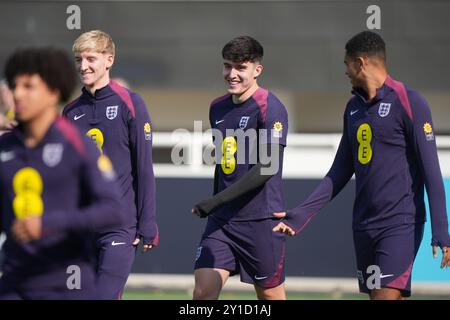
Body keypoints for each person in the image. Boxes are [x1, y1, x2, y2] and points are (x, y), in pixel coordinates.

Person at [272, 31, 450, 300]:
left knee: (384, 296)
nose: (345, 71)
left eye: (346, 64)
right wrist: (300, 214)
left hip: (400, 224)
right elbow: (339, 171)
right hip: (364, 225)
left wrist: (442, 231)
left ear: (361, 62)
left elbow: (431, 170)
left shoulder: (409, 101)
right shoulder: (353, 108)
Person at [0, 47, 124, 299]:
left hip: (66, 283)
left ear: (53, 91)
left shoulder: (78, 145)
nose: (17, 94)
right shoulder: (5, 147)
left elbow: (112, 210)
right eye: (15, 86)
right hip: (14, 279)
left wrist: (47, 224)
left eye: (28, 86)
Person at [62, 30, 158, 300]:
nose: (83, 66)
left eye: (91, 59)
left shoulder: (131, 102)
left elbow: (144, 168)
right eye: (79, 60)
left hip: (119, 225)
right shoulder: (71, 112)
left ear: (109, 60)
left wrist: (147, 224)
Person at [192, 36, 289, 300]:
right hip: (222, 222)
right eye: (227, 66)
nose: (232, 74)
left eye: (240, 68)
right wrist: (217, 204)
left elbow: (267, 167)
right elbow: (223, 164)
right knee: (202, 293)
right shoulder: (217, 107)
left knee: (270, 297)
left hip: (259, 222)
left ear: (257, 70)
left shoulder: (271, 107)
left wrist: (215, 200)